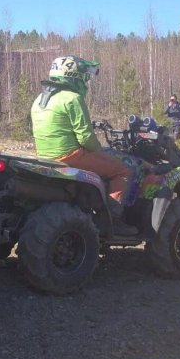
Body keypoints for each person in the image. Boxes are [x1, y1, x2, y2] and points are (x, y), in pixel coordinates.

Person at [30, 55, 138, 235]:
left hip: (45, 156)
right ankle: (113, 222)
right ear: (74, 76)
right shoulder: (72, 98)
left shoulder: (40, 98)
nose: (85, 80)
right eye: (84, 76)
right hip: (71, 156)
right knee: (123, 171)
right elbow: (86, 138)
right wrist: (102, 152)